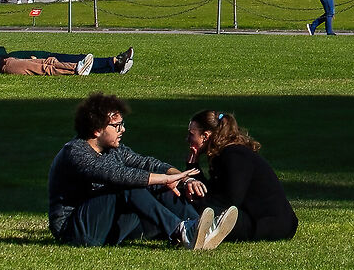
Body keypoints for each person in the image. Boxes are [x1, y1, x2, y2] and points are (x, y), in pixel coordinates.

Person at [48, 92, 233, 250]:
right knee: (128, 184)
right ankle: (183, 231)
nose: (123, 130)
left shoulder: (114, 150)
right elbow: (118, 175)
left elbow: (148, 164)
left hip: (107, 225)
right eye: (117, 125)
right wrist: (164, 178)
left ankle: (200, 228)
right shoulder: (75, 152)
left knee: (161, 185)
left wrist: (182, 179)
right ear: (97, 130)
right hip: (76, 232)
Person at [186, 110, 297, 242]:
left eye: (191, 134)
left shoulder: (235, 155)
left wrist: (198, 202)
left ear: (205, 135)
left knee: (192, 207)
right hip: (256, 218)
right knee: (191, 204)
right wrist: (192, 165)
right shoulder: (224, 155)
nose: (187, 139)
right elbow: (209, 191)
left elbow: (230, 200)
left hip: (267, 224)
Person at [0, 45, 138, 75]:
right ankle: (113, 62)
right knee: (50, 64)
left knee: (51, 61)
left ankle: (114, 63)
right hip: (12, 61)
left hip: (13, 59)